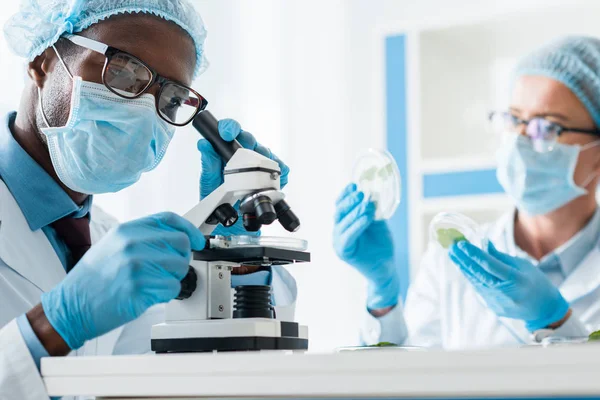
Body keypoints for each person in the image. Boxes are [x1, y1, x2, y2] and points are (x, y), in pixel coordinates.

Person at [0, 1, 297, 398]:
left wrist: (228, 252)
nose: (144, 110)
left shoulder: (109, 248)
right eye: (122, 72)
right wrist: (52, 326)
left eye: (172, 99)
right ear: (43, 62)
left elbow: (195, 378)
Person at [334, 36, 600, 348]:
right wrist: (382, 297)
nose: (520, 140)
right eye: (514, 120)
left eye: (548, 127)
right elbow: (402, 384)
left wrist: (556, 322)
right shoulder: (450, 259)